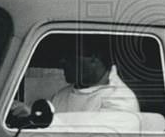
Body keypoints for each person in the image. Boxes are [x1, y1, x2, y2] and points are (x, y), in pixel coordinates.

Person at [9, 36, 139, 124]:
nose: (62, 61)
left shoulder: (121, 98)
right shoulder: (61, 95)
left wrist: (38, 119)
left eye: (70, 56)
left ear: (94, 58)